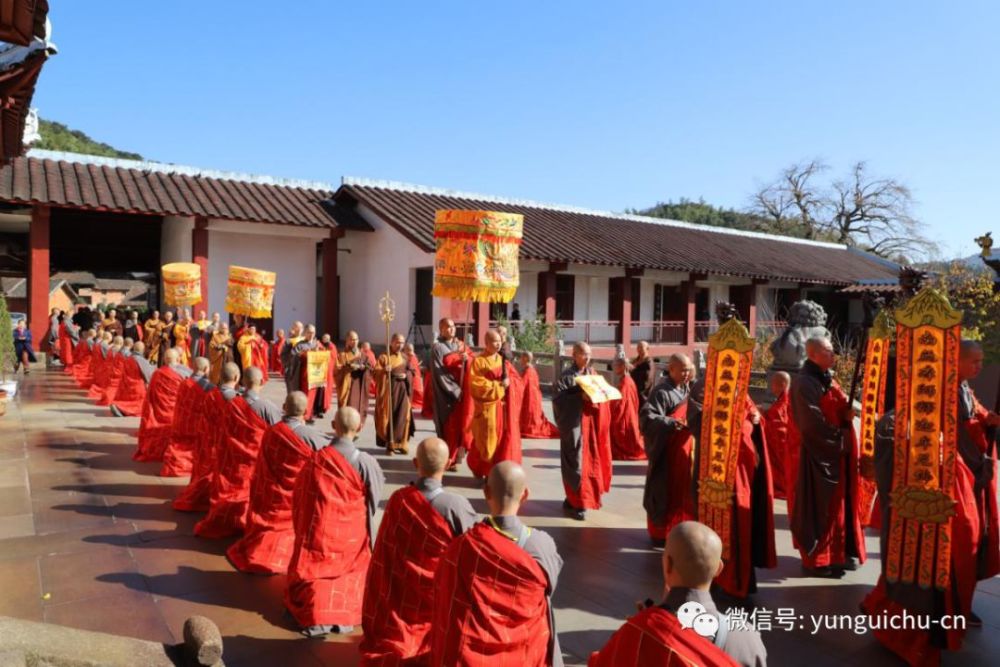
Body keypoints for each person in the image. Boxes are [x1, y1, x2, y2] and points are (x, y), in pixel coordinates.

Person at [861, 405, 980, 664]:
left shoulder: (936, 416)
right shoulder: (893, 424)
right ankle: (908, 641)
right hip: (915, 520)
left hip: (942, 517)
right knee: (915, 586)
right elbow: (891, 477)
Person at [430, 461, 563, 666]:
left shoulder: (463, 547)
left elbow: (444, 594)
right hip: (526, 653)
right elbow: (549, 591)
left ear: (486, 492)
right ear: (525, 494)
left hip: (472, 657)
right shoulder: (542, 546)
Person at [360, 437, 478, 664]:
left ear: (415, 463)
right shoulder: (456, 506)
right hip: (435, 598)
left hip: (399, 596)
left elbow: (384, 553)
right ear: (447, 464)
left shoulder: (398, 499)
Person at [589, 521, 766, 667]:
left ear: (667, 564)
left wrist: (648, 626)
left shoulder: (638, 633)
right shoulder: (749, 637)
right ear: (719, 569)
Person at [285, 406, 385, 637]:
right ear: (360, 428)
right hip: (350, 542)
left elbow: (300, 496)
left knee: (315, 574)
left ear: (333, 426)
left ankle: (316, 608)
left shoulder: (316, 459)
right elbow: (373, 502)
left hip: (318, 537)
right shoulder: (366, 463)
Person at [227, 391, 329, 574]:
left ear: (283, 408)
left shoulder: (271, 431)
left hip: (268, 494)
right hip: (294, 500)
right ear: (306, 411)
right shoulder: (313, 438)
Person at [788, 337, 865, 576]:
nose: (834, 356)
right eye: (830, 351)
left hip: (835, 453)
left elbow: (838, 405)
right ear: (813, 354)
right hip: (816, 454)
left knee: (839, 506)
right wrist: (839, 436)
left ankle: (838, 555)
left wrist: (846, 412)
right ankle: (817, 560)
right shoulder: (804, 383)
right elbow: (810, 423)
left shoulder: (827, 378)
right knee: (819, 508)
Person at [194, 366, 282, 538]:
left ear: (242, 381)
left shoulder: (232, 403)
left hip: (231, 457)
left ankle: (224, 517)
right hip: (255, 461)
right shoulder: (267, 408)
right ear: (262, 382)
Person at [955, 340, 1000, 618]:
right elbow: (956, 435)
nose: (979, 366)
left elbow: (976, 411)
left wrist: (988, 418)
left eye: (981, 361)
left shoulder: (963, 387)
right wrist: (978, 464)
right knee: (964, 539)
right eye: (974, 361)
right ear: (956, 360)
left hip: (974, 474)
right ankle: (954, 603)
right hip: (960, 477)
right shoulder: (945, 390)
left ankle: (963, 600)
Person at [640, 353, 695, 546]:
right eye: (683, 370)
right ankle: (660, 532)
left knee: (682, 493)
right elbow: (647, 418)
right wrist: (671, 422)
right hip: (667, 453)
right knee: (664, 491)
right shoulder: (662, 392)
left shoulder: (687, 389)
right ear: (671, 369)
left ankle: (679, 529)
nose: (687, 374)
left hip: (685, 452)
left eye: (689, 370)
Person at [553, 341, 612, 521]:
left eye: (589, 354)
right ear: (574, 355)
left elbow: (603, 396)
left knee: (590, 464)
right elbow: (558, 401)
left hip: (591, 427)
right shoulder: (566, 377)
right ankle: (575, 501)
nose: (587, 358)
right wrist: (579, 397)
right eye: (583, 354)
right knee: (575, 463)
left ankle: (580, 500)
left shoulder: (593, 374)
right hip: (575, 426)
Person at [172, 363, 241, 512]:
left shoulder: (210, 394)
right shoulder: (237, 401)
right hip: (225, 443)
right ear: (236, 377)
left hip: (207, 439)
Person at [465, 329, 523, 478]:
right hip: (488, 409)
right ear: (486, 343)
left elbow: (517, 380)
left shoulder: (503, 361)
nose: (498, 344)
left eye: (499, 341)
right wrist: (500, 387)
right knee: (485, 442)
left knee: (501, 441)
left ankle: (495, 472)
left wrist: (510, 383)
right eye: (494, 341)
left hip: (503, 410)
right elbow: (477, 385)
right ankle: (481, 469)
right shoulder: (479, 361)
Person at [133, 348, 194, 462]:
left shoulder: (157, 374)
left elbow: (149, 396)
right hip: (177, 413)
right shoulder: (186, 374)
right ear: (179, 358)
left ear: (165, 360)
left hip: (160, 412)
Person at [160, 357, 213, 477]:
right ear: (206, 369)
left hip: (181, 423)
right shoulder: (208, 387)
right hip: (198, 427)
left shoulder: (183, 382)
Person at [431, 318, 469, 469]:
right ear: (441, 330)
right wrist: (455, 391)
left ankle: (455, 459)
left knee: (460, 427)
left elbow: (471, 363)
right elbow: (439, 373)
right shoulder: (438, 348)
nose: (451, 330)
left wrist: (466, 360)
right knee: (449, 428)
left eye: (452, 327)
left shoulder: (460, 346)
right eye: (447, 327)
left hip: (461, 391)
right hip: (446, 395)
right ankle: (447, 458)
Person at [375, 333, 415, 454]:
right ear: (391, 342)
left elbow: (411, 371)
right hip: (389, 390)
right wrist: (383, 371)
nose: (400, 345)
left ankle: (402, 443)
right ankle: (390, 444)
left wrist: (406, 375)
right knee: (390, 416)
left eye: (402, 342)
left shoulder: (404, 357)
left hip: (402, 389)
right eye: (397, 342)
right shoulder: (384, 357)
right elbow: (375, 372)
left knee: (403, 416)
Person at [610, 356, 646, 460]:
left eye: (616, 365)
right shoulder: (627, 379)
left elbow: (620, 401)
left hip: (626, 413)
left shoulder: (626, 381)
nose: (614, 368)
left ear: (622, 366)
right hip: (629, 412)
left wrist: (610, 404)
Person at [763, 372, 791, 500]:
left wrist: (764, 420)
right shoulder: (784, 400)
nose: (771, 387)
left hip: (781, 443)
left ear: (783, 385)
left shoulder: (785, 403)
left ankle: (782, 486)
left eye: (773, 384)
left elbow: (779, 426)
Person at [519, 351, 560, 439]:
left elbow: (521, 385)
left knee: (530, 417)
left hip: (530, 399)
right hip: (534, 398)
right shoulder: (532, 370)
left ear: (526, 359)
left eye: (521, 358)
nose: (520, 360)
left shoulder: (528, 371)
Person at [336, 331, 373, 427]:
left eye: (356, 339)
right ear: (347, 341)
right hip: (347, 385)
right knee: (349, 407)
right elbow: (337, 370)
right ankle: (345, 427)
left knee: (358, 406)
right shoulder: (342, 355)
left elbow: (370, 368)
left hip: (359, 384)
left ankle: (356, 427)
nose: (354, 341)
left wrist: (363, 368)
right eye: (351, 339)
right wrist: (348, 367)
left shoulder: (363, 355)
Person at [110, 341, 154, 417]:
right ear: (143, 350)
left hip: (126, 385)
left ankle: (120, 407)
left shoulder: (128, 358)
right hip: (137, 387)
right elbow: (149, 376)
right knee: (141, 406)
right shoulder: (141, 360)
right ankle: (120, 407)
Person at [281, 321, 305, 393]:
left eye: (300, 327)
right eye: (296, 327)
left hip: (303, 369)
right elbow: (283, 356)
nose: (298, 329)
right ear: (293, 328)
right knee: (292, 391)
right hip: (292, 369)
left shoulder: (305, 340)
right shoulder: (289, 341)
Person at [630, 341, 655, 406]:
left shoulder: (648, 363)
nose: (639, 349)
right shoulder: (636, 360)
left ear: (647, 349)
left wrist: (634, 370)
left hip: (643, 394)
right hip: (633, 390)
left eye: (641, 347)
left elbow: (647, 379)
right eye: (638, 347)